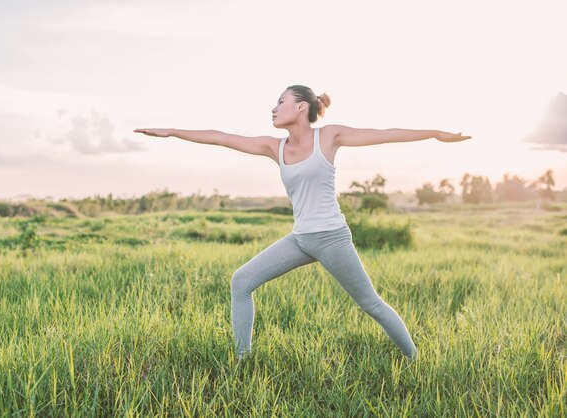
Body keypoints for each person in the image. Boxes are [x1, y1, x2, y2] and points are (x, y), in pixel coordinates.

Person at [135, 85, 471, 363]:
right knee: (241, 281)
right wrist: (172, 132)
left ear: (300, 107)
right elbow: (221, 137)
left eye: (281, 101)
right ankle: (241, 361)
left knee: (371, 304)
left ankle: (415, 360)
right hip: (300, 240)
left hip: (332, 239)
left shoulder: (329, 136)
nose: (274, 107)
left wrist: (435, 134)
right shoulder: (274, 147)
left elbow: (385, 134)